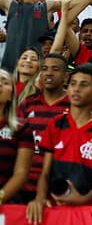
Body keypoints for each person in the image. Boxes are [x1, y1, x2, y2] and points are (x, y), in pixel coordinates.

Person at [25, 64, 92, 225]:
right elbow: (46, 172)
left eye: (84, 84)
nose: (76, 89)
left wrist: (83, 199)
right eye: (73, 83)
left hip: (90, 210)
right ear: (67, 89)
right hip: (54, 208)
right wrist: (40, 198)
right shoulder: (56, 124)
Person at [17, 53, 70, 202]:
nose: (48, 73)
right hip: (22, 186)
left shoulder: (74, 106)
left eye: (55, 69)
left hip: (59, 190)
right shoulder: (27, 103)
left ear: (65, 77)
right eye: (45, 68)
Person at [0, 68, 34, 204]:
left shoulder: (22, 128)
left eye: (5, 82)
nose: (0, 85)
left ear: (11, 95)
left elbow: (21, 173)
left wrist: (0, 197)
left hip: (6, 203)